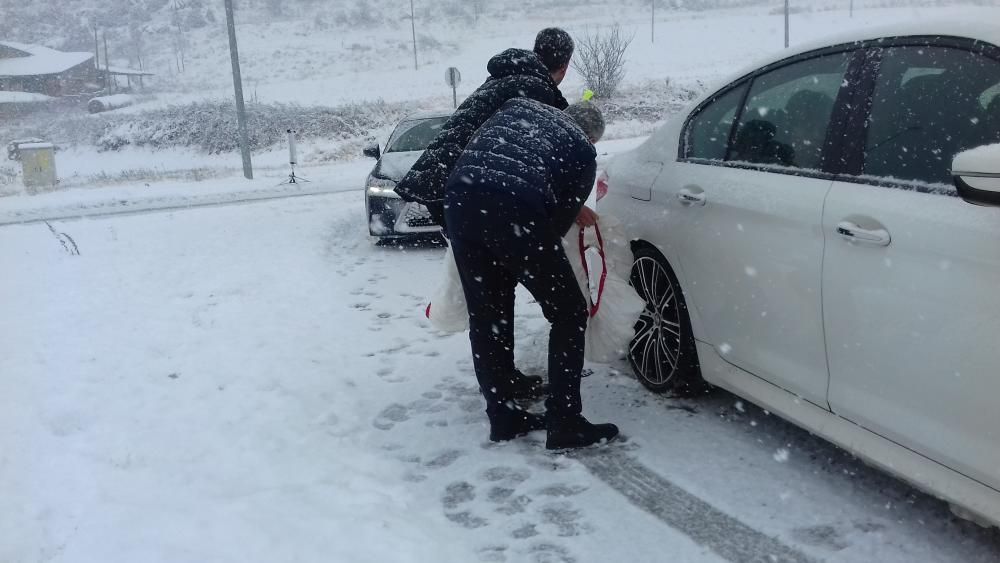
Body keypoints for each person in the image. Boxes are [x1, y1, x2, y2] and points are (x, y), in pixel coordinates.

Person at [396, 28, 581, 401]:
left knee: (489, 304)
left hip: (455, 194)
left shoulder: (500, 80)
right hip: (493, 199)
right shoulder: (537, 93)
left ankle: (502, 400)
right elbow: (549, 168)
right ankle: (552, 410)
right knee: (544, 304)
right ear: (564, 66)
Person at [444, 98, 619, 450]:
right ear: (592, 137)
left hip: (460, 199)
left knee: (487, 318)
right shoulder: (583, 153)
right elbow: (552, 227)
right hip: (513, 207)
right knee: (568, 313)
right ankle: (565, 422)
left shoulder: (516, 109)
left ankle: (503, 417)